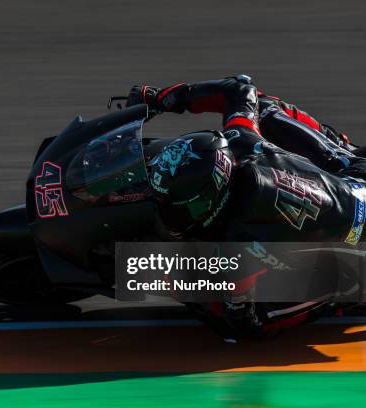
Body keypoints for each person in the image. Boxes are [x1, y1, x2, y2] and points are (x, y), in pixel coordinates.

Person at [125, 75, 364, 339]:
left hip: (352, 238)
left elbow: (238, 306)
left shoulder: (240, 240)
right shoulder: (241, 141)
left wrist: (179, 282)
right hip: (353, 176)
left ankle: (342, 297)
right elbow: (240, 88)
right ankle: (344, 147)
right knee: (262, 105)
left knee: (237, 325)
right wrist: (163, 98)